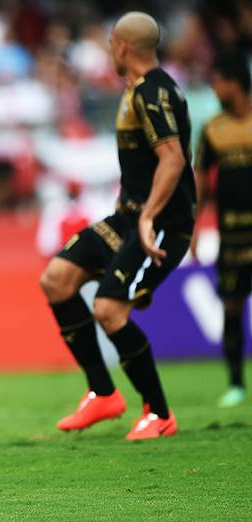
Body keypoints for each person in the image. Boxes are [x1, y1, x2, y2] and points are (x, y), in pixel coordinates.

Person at [38, 12, 195, 440]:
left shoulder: (153, 93)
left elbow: (174, 159)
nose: (109, 50)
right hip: (127, 218)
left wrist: (147, 218)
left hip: (159, 223)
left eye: (111, 43)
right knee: (57, 280)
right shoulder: (139, 90)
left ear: (123, 46)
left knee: (109, 309)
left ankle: (159, 413)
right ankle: (103, 394)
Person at [195, 52, 252, 408]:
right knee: (231, 306)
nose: (215, 89)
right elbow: (201, 179)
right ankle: (236, 384)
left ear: (235, 83)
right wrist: (195, 225)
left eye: (218, 82)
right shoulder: (213, 129)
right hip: (231, 235)